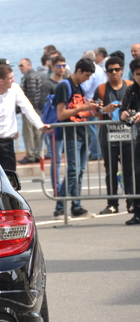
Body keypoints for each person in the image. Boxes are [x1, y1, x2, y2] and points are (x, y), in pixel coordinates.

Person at [0, 64, 49, 172]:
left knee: (11, 179)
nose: (13, 80)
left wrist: (40, 125)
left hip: (8, 143)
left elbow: (27, 108)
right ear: (1, 81)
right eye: (10, 78)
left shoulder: (15, 89)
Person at [52, 58, 100, 219]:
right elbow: (61, 114)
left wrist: (94, 108)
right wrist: (84, 107)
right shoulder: (64, 86)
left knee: (79, 171)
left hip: (82, 131)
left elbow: (80, 111)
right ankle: (59, 207)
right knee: (73, 170)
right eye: (86, 75)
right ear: (79, 71)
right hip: (71, 133)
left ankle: (76, 206)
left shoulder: (79, 86)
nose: (88, 79)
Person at [96, 57, 134, 215]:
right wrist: (106, 109)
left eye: (117, 69)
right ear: (106, 72)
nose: (114, 73)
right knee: (110, 171)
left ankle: (132, 202)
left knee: (129, 170)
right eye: (110, 70)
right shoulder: (102, 89)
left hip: (128, 134)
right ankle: (112, 204)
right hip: (108, 135)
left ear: (122, 70)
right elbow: (95, 109)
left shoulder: (130, 86)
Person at [39, 55, 68, 192]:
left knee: (66, 159)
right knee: (55, 158)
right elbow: (43, 105)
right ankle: (56, 187)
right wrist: (46, 124)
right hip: (53, 126)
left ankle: (66, 186)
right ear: (52, 67)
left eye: (64, 65)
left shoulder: (66, 83)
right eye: (59, 66)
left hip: (66, 124)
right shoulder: (48, 84)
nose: (62, 68)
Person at [120, 58, 140, 225]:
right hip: (138, 137)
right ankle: (138, 212)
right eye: (138, 74)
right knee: (138, 174)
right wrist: (124, 114)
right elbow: (122, 110)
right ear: (133, 75)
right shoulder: (131, 90)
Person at [81, 51, 107, 161]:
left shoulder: (91, 71)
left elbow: (85, 87)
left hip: (89, 100)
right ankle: (98, 151)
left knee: (92, 128)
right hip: (99, 98)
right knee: (96, 127)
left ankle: (96, 153)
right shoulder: (100, 69)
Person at [17, 58, 43, 164]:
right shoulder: (34, 75)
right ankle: (37, 154)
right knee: (36, 132)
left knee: (28, 132)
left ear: (29, 65)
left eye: (21, 65)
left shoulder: (30, 76)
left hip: (31, 109)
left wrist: (25, 108)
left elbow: (31, 95)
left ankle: (31, 155)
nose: (20, 68)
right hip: (36, 108)